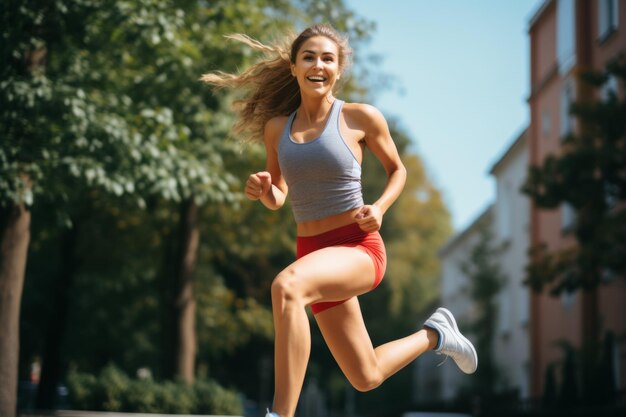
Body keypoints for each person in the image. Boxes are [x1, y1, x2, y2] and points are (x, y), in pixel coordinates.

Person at [202, 23, 477, 417]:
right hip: (312, 250)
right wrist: (263, 188)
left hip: (357, 247)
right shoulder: (277, 128)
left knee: (287, 286)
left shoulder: (358, 118)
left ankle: (279, 415)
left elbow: (397, 170)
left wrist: (379, 207)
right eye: (309, 57)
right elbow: (279, 197)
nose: (318, 65)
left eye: (328, 58)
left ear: (339, 69)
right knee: (365, 376)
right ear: (294, 67)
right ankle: (436, 335)